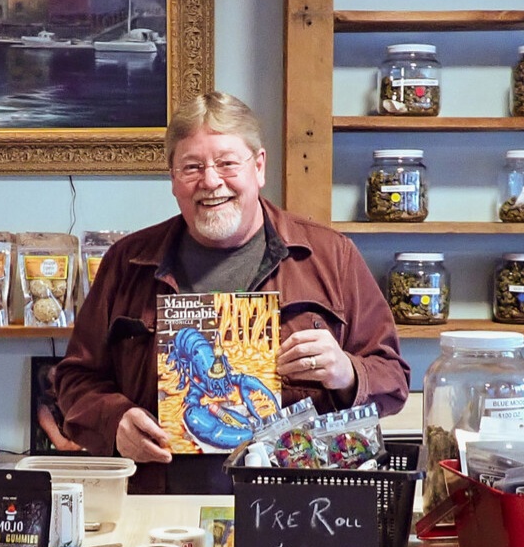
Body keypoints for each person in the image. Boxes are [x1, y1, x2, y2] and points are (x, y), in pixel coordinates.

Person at [52, 91, 410, 492]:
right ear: (173, 179)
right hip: (161, 507)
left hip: (299, 506)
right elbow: (73, 380)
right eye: (192, 167)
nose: (210, 181)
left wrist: (347, 373)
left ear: (259, 167)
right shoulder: (127, 262)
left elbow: (393, 378)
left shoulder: (332, 256)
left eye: (226, 163)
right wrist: (114, 420)